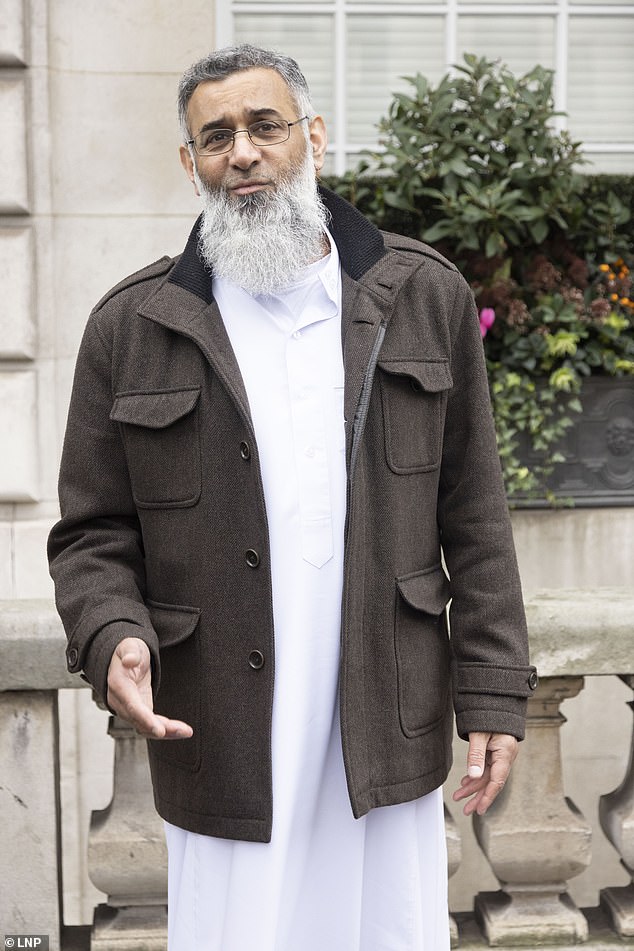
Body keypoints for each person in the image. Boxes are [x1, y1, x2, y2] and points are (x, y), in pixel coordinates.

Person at [48, 44, 537, 951]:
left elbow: (475, 518)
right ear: (188, 161)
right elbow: (91, 532)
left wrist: (497, 693)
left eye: (264, 125)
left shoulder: (422, 297)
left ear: (310, 135)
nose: (243, 152)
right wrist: (112, 632)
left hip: (386, 716)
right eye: (215, 136)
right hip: (222, 731)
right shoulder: (133, 326)